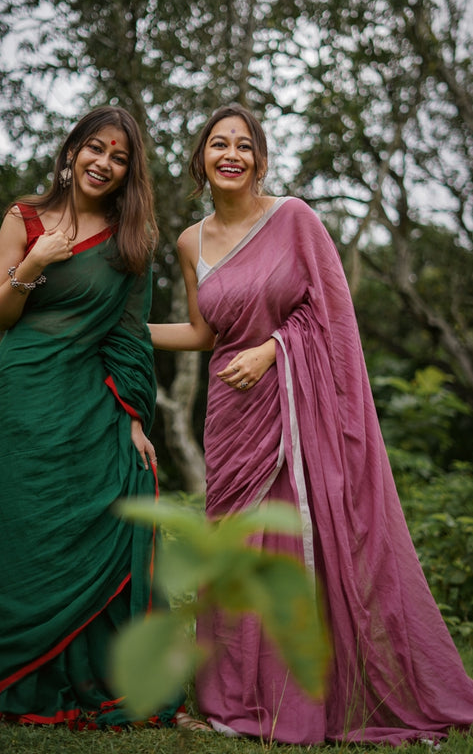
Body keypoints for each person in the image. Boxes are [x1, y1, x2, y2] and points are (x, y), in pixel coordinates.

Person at [148, 104, 473, 746]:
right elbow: (205, 333)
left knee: (300, 545)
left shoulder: (294, 219)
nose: (231, 154)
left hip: (295, 409)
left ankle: (309, 699)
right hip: (230, 417)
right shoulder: (189, 241)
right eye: (219, 144)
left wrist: (275, 349)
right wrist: (123, 331)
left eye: (244, 145)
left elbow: (331, 313)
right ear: (201, 159)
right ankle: (238, 698)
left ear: (261, 160)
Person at [0, 105, 198, 731]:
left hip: (92, 403)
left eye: (119, 157)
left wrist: (135, 422)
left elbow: (126, 338)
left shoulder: (133, 242)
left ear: (129, 172)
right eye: (95, 149)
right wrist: (36, 261)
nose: (105, 163)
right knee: (16, 538)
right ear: (71, 154)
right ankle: (13, 693)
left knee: (101, 527)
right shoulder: (26, 217)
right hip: (20, 399)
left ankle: (105, 684)